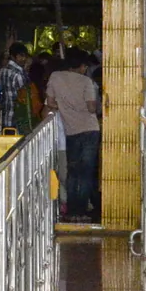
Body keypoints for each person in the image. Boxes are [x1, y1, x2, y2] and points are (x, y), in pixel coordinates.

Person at [44, 50, 101, 221]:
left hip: (70, 130)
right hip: (90, 130)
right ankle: (81, 211)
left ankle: (71, 211)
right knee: (86, 172)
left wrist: (65, 105)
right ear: (83, 66)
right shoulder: (86, 81)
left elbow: (51, 102)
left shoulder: (55, 76)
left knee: (72, 171)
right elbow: (92, 108)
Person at [0, 42, 32, 135]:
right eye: (21, 56)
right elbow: (25, 98)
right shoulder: (18, 74)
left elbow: (0, 88)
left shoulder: (2, 71)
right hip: (18, 119)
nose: (23, 59)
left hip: (5, 117)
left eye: (25, 56)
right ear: (13, 56)